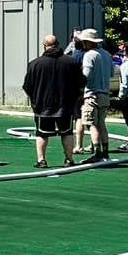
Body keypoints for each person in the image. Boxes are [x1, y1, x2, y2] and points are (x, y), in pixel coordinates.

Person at [22, 34, 84, 168]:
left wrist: (35, 100)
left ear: (44, 45)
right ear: (58, 45)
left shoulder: (35, 64)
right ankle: (69, 159)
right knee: (67, 133)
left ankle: (41, 160)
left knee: (42, 134)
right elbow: (81, 83)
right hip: (66, 106)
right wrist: (74, 98)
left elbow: (27, 86)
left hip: (43, 107)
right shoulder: (71, 62)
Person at [78, 29, 112, 162]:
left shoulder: (89, 55)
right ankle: (105, 152)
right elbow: (111, 73)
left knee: (91, 123)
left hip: (92, 94)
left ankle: (97, 153)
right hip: (105, 93)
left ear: (88, 42)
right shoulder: (107, 55)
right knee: (101, 123)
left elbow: (85, 75)